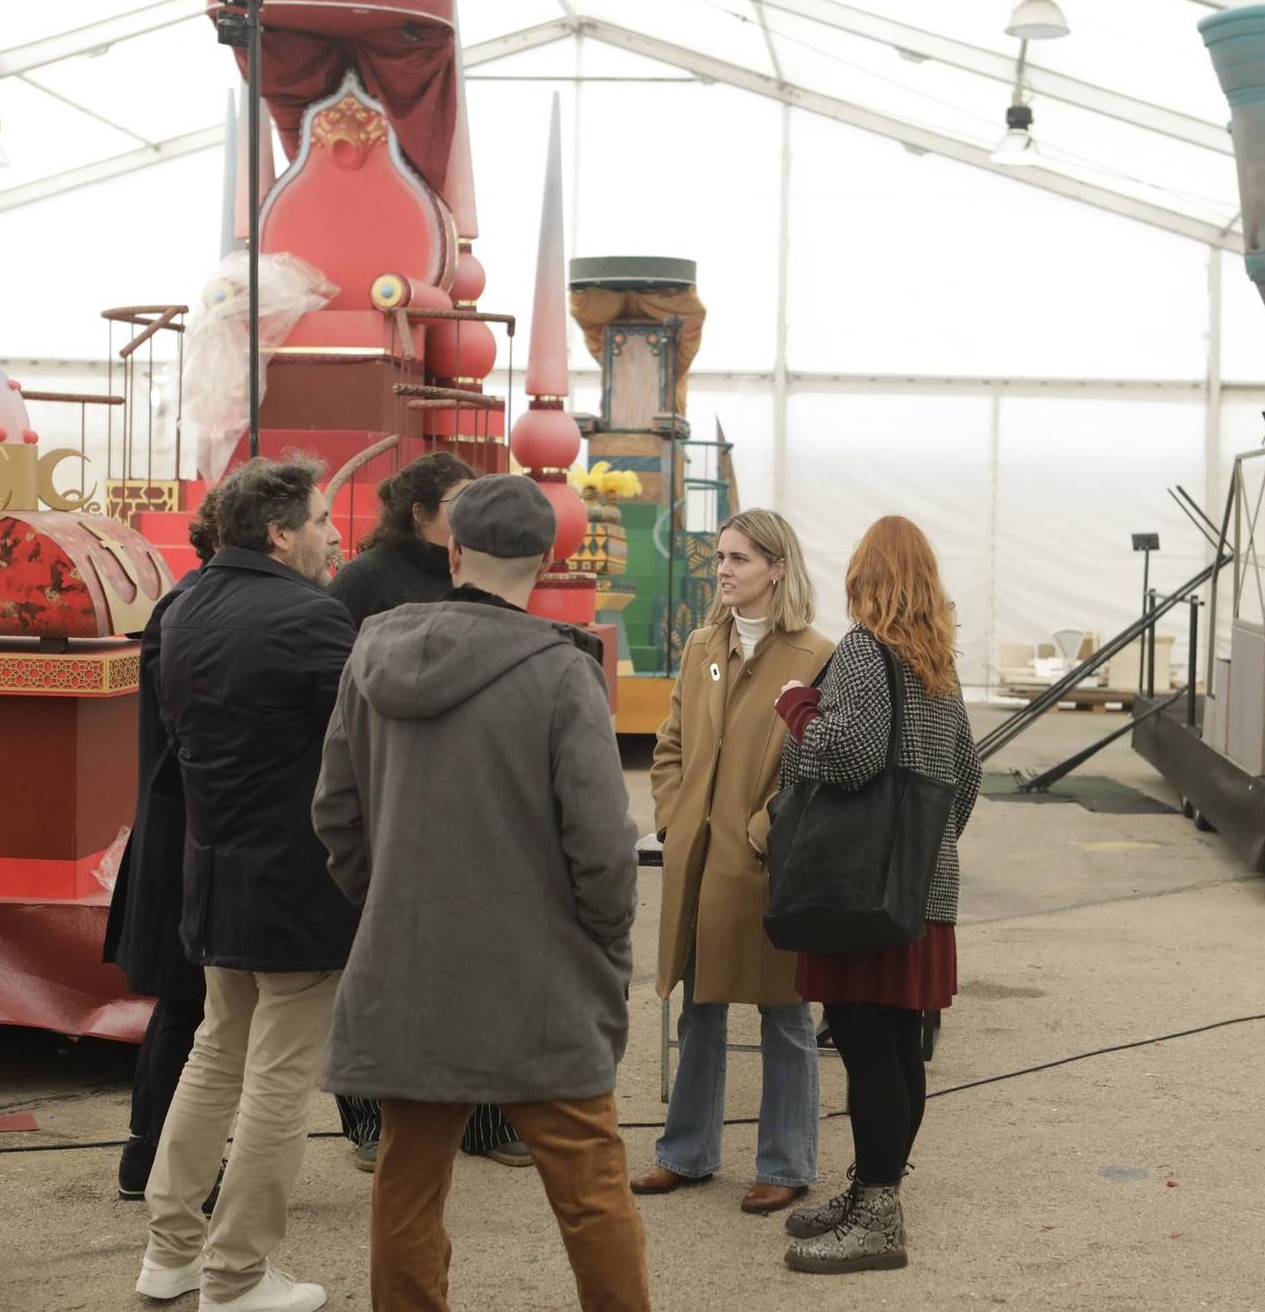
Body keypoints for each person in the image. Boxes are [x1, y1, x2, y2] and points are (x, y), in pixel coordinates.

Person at [313, 474, 648, 1312]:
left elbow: (335, 815)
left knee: (406, 1185)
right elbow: (604, 846)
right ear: (546, 560)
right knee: (591, 1190)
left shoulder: (369, 656)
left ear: (452, 549)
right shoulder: (564, 674)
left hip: (409, 967)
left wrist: (384, 903)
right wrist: (602, 940)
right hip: (543, 980)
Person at [134, 456, 357, 1312]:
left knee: (216, 1050)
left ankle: (171, 1251)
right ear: (279, 532)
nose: (334, 535)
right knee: (275, 1073)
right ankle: (235, 1273)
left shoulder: (184, 605)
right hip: (297, 880)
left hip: (213, 868)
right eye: (324, 519)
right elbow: (356, 752)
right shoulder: (310, 617)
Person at [771, 515, 982, 1275]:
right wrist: (931, 854)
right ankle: (869, 1192)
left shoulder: (863, 649)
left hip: (859, 891)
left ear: (865, 576)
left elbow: (853, 755)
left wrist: (797, 709)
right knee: (898, 1048)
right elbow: (967, 776)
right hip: (922, 894)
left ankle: (879, 1217)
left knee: (867, 1053)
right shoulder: (939, 664)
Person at [323, 452, 530, 1173]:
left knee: (484, 963)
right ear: (419, 513)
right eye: (457, 501)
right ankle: (370, 1123)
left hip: (472, 801)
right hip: (392, 793)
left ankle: (487, 1123)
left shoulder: (478, 570)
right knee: (375, 973)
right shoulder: (363, 582)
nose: (470, 514)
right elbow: (338, 700)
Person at [632, 510, 830, 1215]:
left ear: (778, 567)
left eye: (741, 558)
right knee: (700, 1008)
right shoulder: (701, 645)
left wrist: (760, 831)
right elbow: (670, 746)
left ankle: (786, 1161)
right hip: (699, 860)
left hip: (765, 866)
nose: (724, 569)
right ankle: (685, 1153)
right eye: (720, 556)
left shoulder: (815, 654)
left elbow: (814, 767)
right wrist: (674, 819)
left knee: (784, 1014)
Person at [103, 483, 225, 1207]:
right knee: (187, 1005)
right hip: (187, 833)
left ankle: (148, 1153)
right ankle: (156, 1156)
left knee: (184, 1006)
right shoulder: (193, 610)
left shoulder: (185, 602)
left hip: (175, 827)